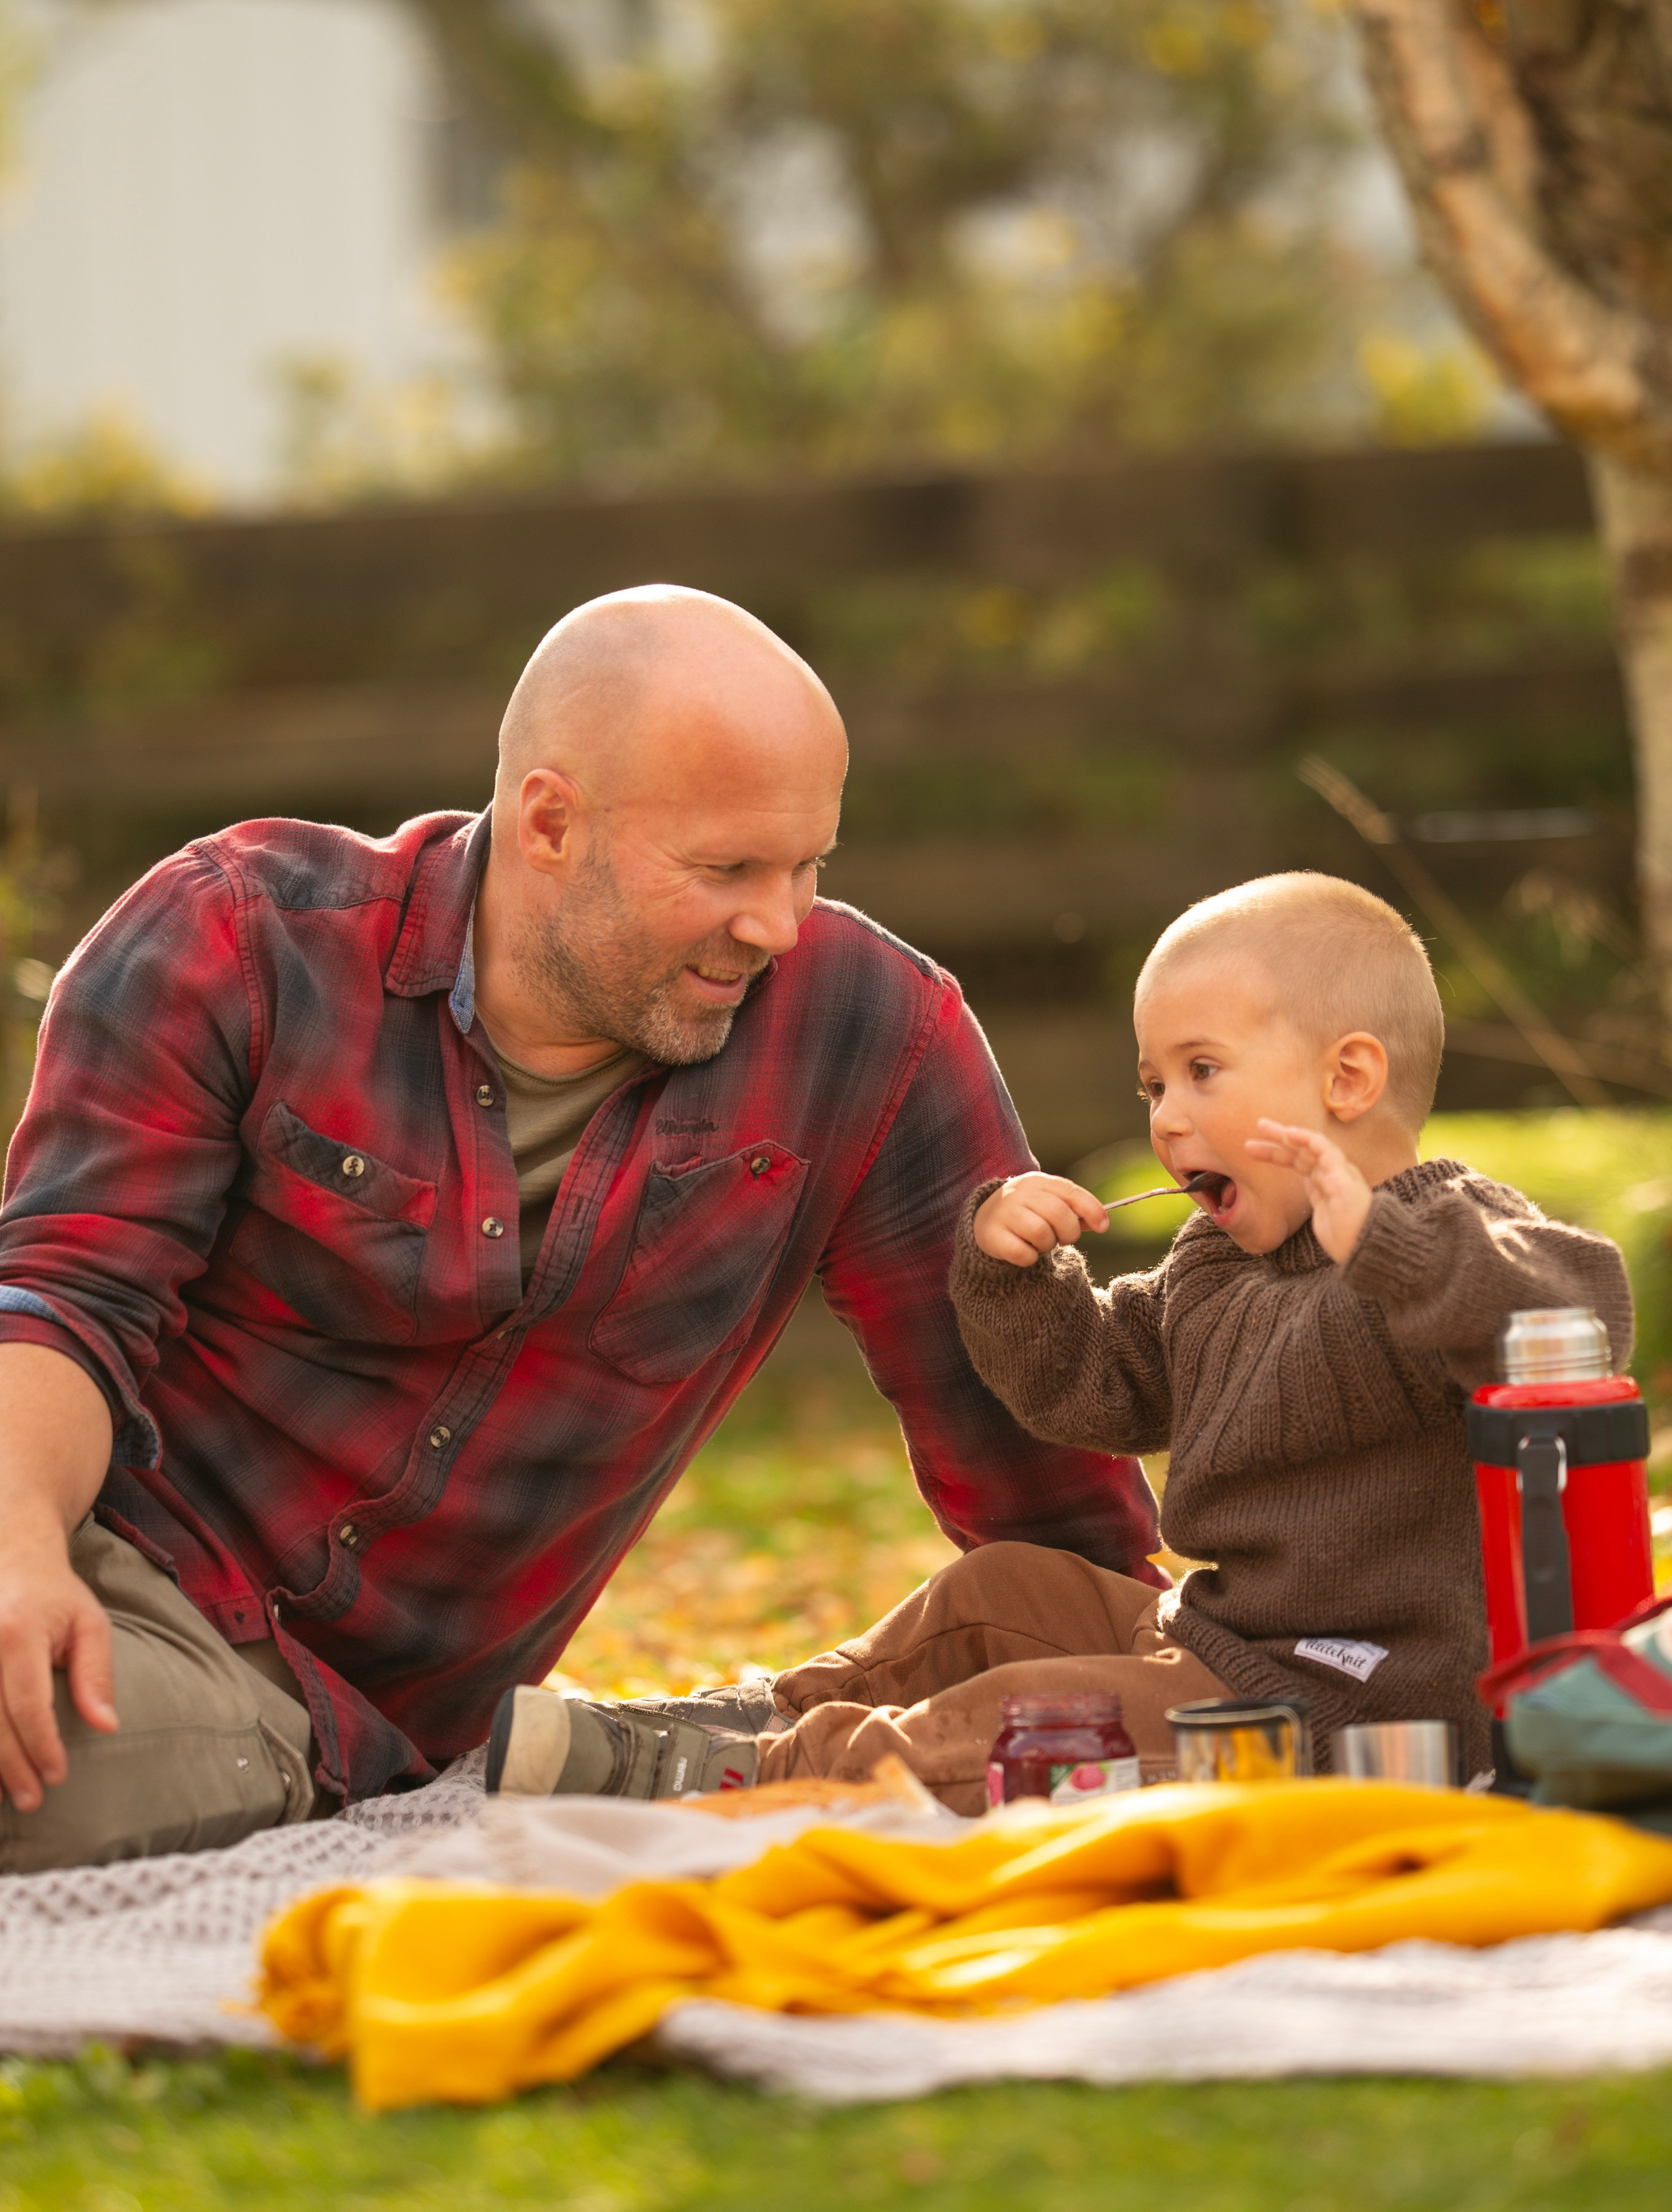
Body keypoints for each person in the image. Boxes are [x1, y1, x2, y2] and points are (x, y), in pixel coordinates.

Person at [0, 586, 1162, 1872]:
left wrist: (1202, 1677)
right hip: (85, 1540)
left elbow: (1031, 1461)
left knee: (57, 1781)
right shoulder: (238, 937)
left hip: (305, 1714)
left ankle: (705, 1752)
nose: (776, 923)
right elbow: (62, 1300)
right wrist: (16, 1553)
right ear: (548, 821)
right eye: (725, 869)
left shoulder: (866, 1036)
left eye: (807, 864)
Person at [504, 872, 1630, 1810]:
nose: (1167, 1117)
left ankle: (754, 1774)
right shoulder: (1217, 1261)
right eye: (1152, 1084)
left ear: (1347, 1079)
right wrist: (1020, 1276)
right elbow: (1095, 1387)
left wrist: (1379, 1243)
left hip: (1348, 1703)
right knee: (1001, 1587)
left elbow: (1578, 1317)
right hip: (1219, 1639)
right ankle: (770, 1707)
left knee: (1022, 1728)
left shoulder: (1444, 1224)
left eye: (1201, 1070)